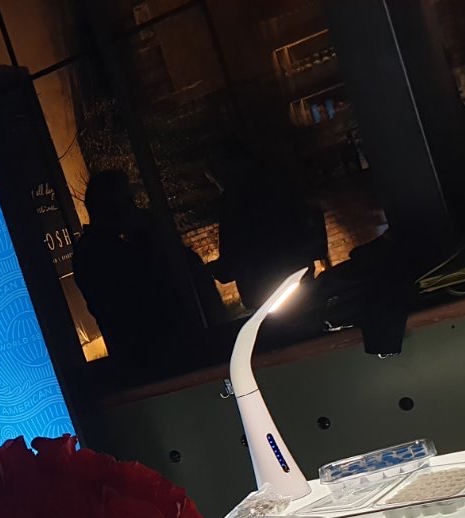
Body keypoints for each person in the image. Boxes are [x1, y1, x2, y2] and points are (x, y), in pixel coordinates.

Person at [73, 171, 216, 378]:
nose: (135, 208)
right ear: (115, 207)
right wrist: (150, 234)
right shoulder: (107, 253)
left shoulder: (97, 249)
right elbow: (153, 291)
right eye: (128, 201)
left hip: (145, 357)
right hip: (155, 357)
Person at [207, 142, 327, 310]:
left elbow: (232, 260)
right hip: (300, 283)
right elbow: (314, 236)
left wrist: (210, 271)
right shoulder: (283, 186)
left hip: (266, 297)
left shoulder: (233, 204)